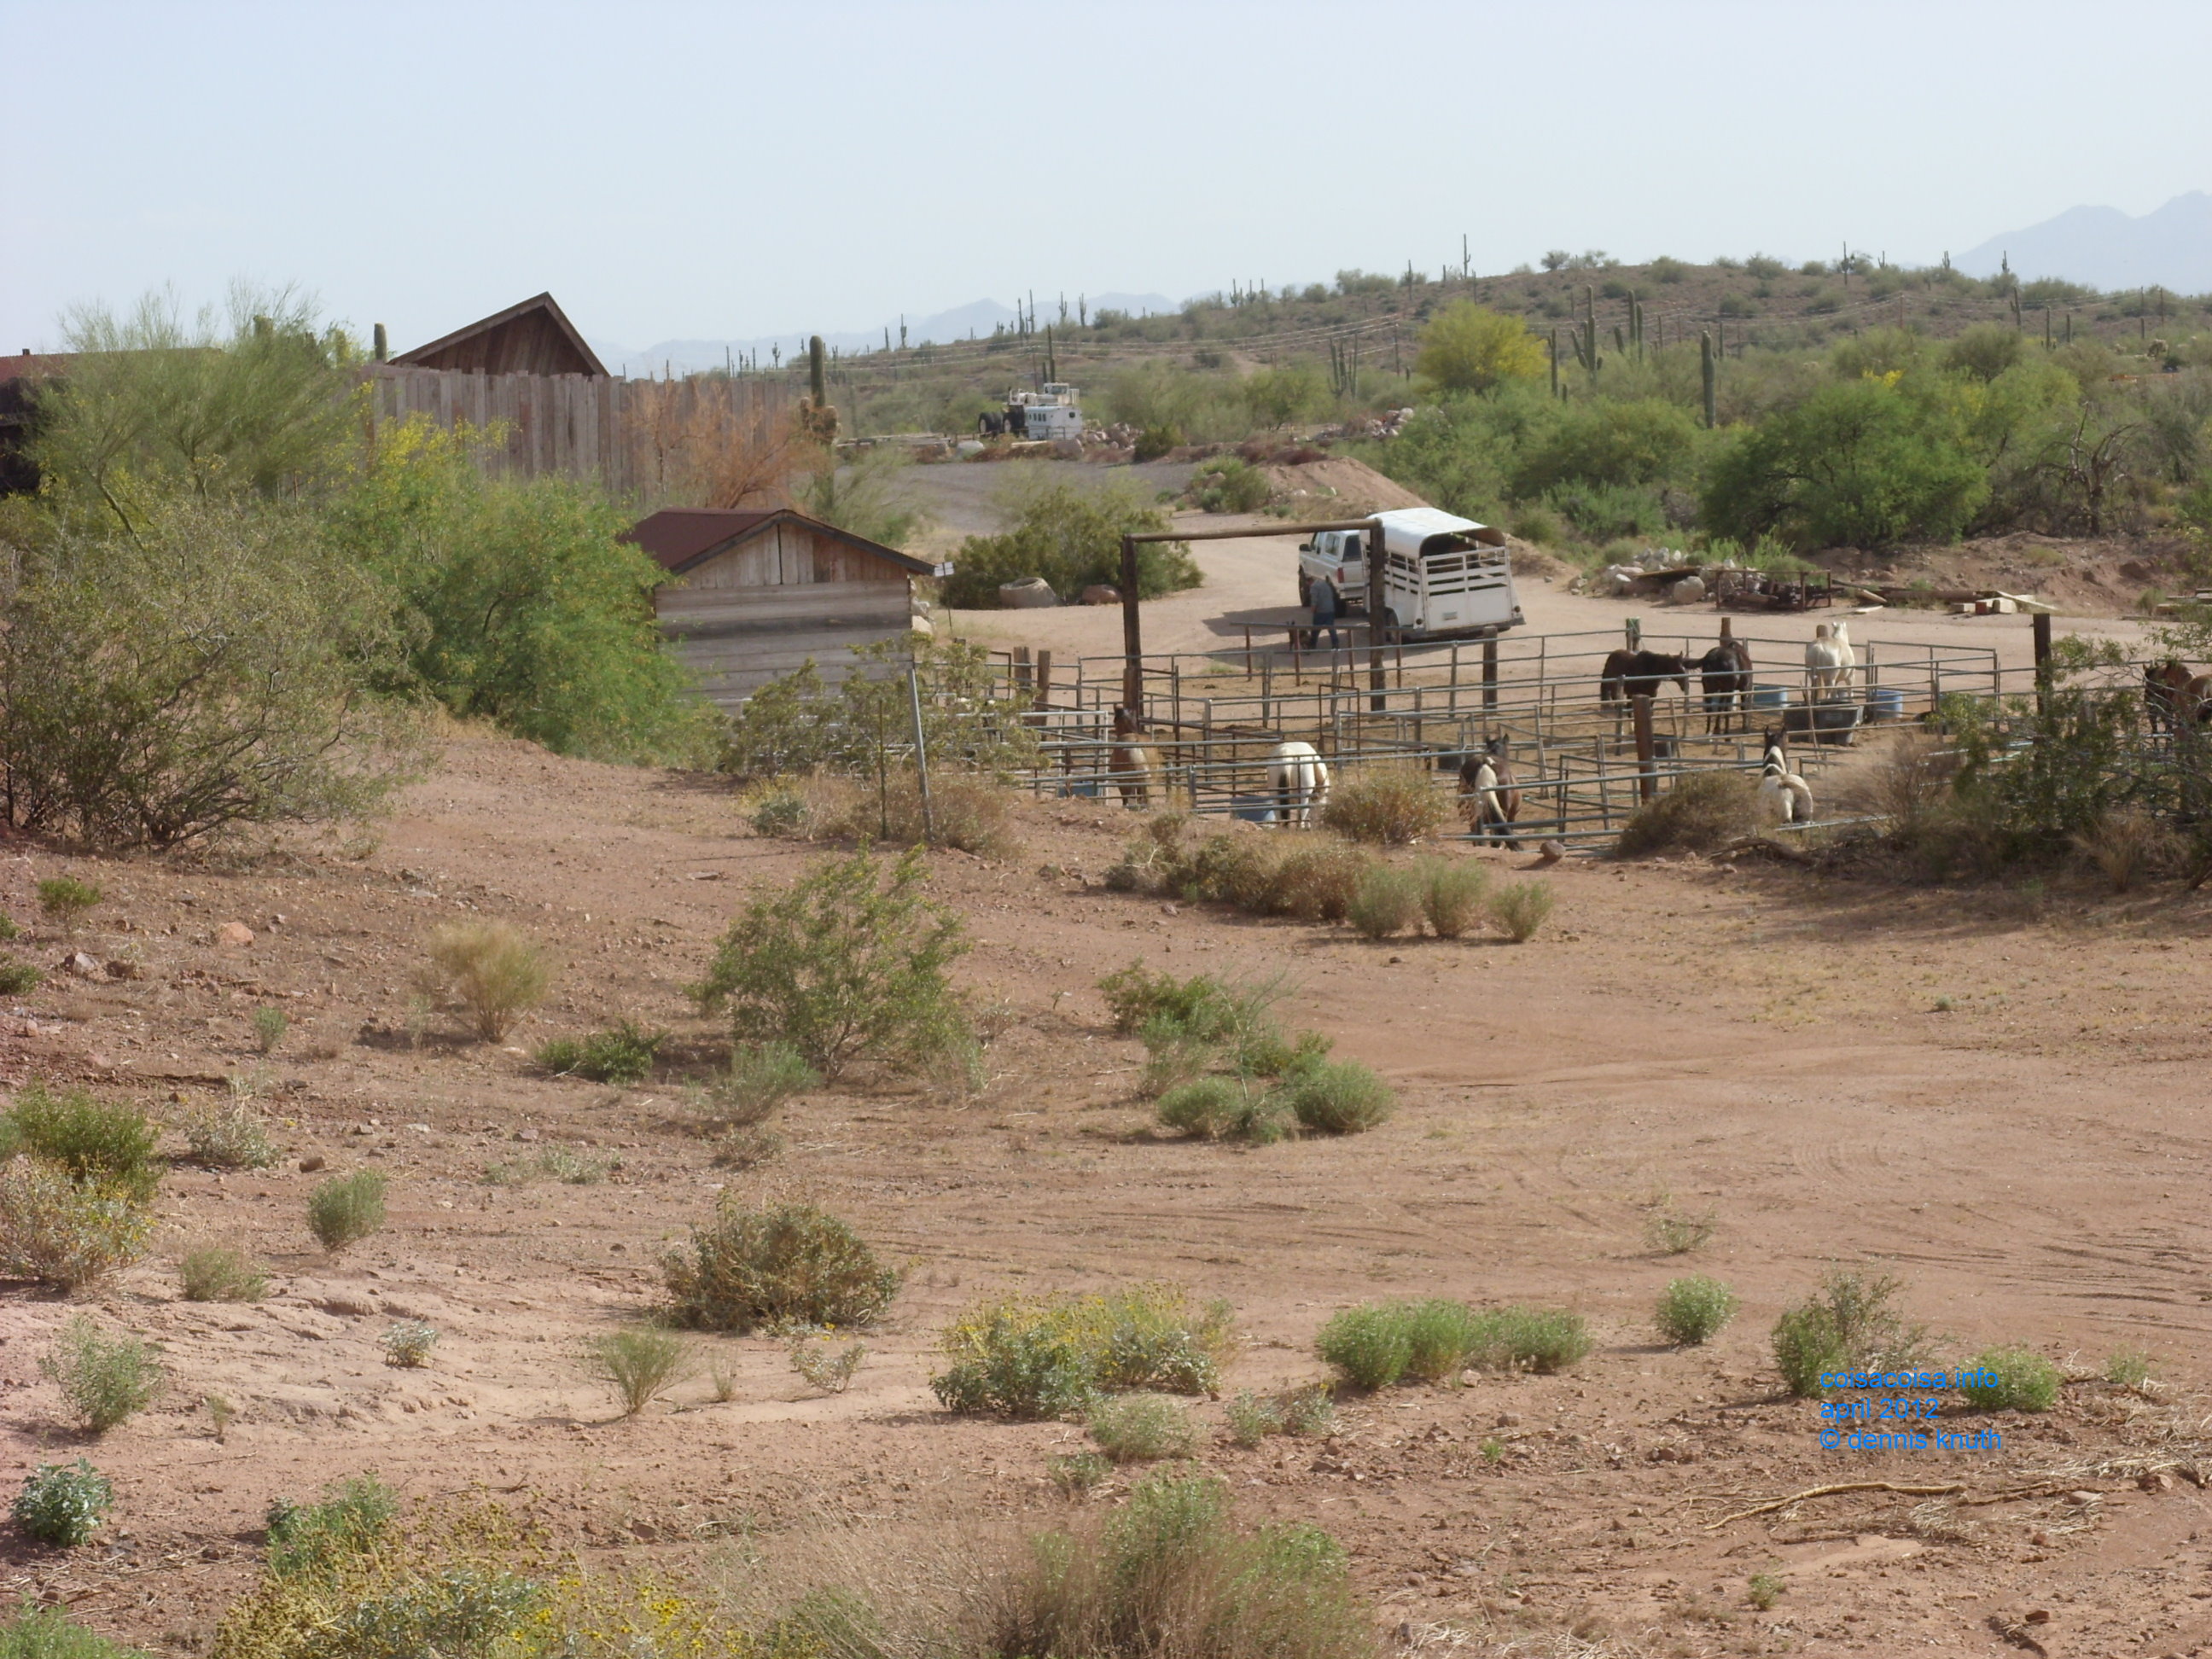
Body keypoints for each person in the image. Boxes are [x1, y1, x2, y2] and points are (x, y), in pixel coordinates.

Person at [1310, 577, 1340, 650]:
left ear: (1310, 582)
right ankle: (1335, 643)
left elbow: (1314, 600)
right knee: (1331, 628)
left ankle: (1312, 644)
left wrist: (1313, 609)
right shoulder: (1326, 584)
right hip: (1330, 609)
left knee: (1316, 629)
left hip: (1321, 611)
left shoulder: (1314, 587)